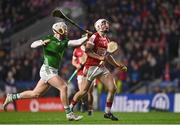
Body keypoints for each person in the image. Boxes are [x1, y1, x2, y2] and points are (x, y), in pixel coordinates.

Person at [3, 21, 89, 121]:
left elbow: (78, 42)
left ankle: (12, 97)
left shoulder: (64, 41)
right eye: (63, 28)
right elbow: (32, 45)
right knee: (63, 87)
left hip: (53, 71)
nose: (65, 30)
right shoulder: (49, 39)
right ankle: (69, 113)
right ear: (56, 30)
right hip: (47, 69)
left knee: (35, 94)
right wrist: (41, 42)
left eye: (65, 28)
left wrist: (87, 37)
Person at [69, 19, 127, 121]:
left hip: (101, 68)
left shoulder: (107, 40)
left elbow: (108, 57)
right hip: (90, 67)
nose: (106, 25)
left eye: (106, 23)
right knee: (83, 92)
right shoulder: (94, 36)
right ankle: (70, 109)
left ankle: (107, 112)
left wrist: (118, 65)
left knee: (113, 88)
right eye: (103, 24)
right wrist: (100, 58)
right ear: (98, 26)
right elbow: (87, 51)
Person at [71, 44, 94, 115]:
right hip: (80, 73)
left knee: (89, 92)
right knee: (82, 91)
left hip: (90, 72)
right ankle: (83, 103)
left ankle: (90, 108)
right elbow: (73, 61)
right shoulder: (76, 50)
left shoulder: (91, 49)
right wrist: (77, 65)